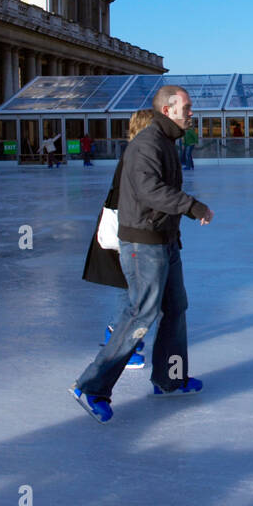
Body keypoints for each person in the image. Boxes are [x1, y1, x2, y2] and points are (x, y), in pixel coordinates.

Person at [71, 85, 214, 422]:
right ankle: (92, 386)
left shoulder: (165, 141)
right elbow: (150, 190)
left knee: (175, 307)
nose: (191, 112)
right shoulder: (147, 143)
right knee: (141, 313)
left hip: (165, 238)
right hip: (144, 242)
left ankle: (170, 378)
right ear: (168, 109)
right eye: (187, 107)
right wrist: (192, 206)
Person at [85, 110, 156, 371]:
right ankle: (118, 339)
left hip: (129, 228)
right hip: (127, 230)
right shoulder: (136, 155)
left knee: (130, 286)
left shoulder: (136, 153)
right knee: (130, 287)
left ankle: (123, 339)